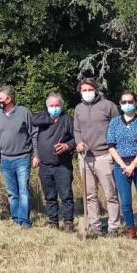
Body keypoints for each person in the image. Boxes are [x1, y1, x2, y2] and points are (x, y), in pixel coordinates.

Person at [74, 77, 121, 237]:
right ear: (80, 92)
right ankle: (95, 226)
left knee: (111, 194)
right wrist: (79, 143)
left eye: (90, 90)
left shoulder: (108, 106)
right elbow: (77, 130)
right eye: (84, 90)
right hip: (86, 158)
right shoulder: (78, 108)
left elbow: (117, 127)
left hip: (105, 156)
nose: (87, 93)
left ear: (96, 90)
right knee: (90, 195)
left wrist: (113, 149)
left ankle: (113, 227)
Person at [107, 91, 137, 245]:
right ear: (120, 104)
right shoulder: (114, 122)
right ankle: (131, 230)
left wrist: (133, 164)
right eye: (124, 102)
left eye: (130, 102)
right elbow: (111, 146)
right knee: (125, 202)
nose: (127, 105)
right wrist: (123, 165)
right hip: (121, 165)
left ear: (135, 103)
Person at [0, 85, 37, 229]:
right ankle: (16, 219)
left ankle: (24, 221)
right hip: (5, 159)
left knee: (23, 190)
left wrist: (36, 155)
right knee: (12, 192)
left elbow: (34, 134)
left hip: (22, 158)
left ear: (9, 99)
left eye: (0, 98)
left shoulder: (24, 112)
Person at [32, 93, 77, 232]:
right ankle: (53, 221)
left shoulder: (68, 120)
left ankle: (68, 222)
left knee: (66, 195)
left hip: (62, 165)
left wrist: (67, 146)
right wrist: (36, 156)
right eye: (52, 106)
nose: (54, 108)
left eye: (57, 105)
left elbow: (78, 138)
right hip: (44, 165)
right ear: (47, 107)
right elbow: (33, 128)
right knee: (49, 196)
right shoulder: (41, 120)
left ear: (62, 106)